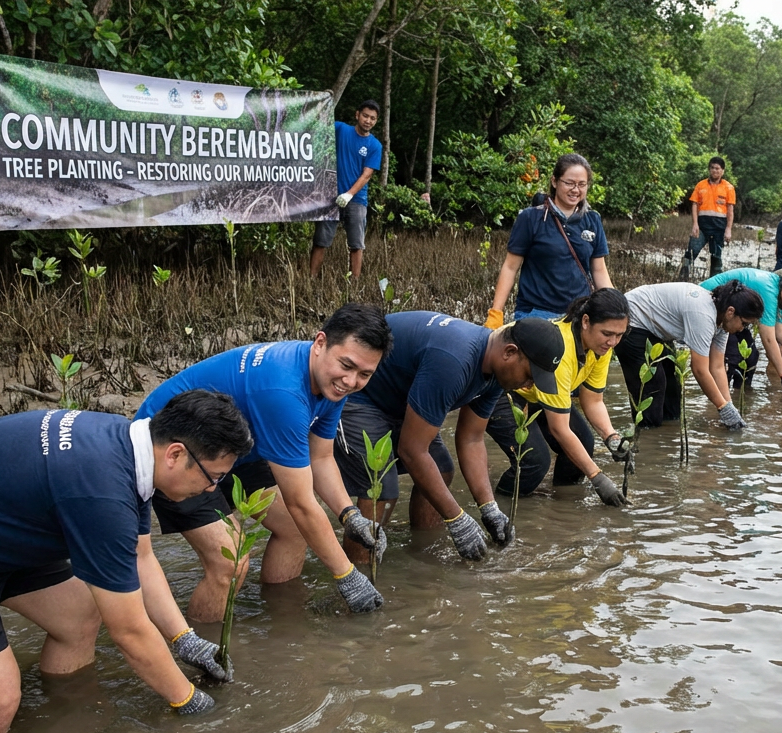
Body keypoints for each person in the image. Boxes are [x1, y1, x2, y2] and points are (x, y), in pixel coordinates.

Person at [0, 391, 253, 733]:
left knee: (78, 617)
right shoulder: (102, 492)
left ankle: (62, 721)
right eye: (213, 477)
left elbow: (140, 557)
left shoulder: (131, 448)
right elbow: (130, 631)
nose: (210, 490)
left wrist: (183, 638)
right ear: (175, 454)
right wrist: (186, 699)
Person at [134, 305, 393, 617]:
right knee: (230, 562)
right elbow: (301, 503)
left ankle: (281, 624)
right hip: (177, 451)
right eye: (347, 366)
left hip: (236, 448)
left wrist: (349, 515)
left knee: (294, 530)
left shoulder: (330, 382)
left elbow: (321, 456)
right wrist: (346, 575)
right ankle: (203, 649)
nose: (350, 381)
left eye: (364, 374)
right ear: (320, 343)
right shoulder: (284, 392)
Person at [334, 313, 564, 559]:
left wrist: (489, 508)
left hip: (401, 402)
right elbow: (412, 451)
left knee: (442, 469)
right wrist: (458, 519)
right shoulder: (455, 360)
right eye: (529, 376)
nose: (528, 386)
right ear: (509, 352)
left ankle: (423, 554)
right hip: (359, 395)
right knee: (382, 488)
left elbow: (472, 439)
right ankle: (356, 572)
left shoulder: (496, 371)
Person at [486, 289, 631, 508]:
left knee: (584, 442)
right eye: (607, 334)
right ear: (585, 321)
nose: (613, 342)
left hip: (537, 391)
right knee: (534, 461)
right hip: (504, 385)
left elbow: (593, 400)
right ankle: (500, 505)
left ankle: (562, 506)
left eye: (619, 335)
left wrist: (612, 438)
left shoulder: (600, 348)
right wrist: (598, 478)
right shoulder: (562, 350)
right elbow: (559, 429)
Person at [485, 154, 613, 328]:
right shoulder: (530, 218)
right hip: (537, 314)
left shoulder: (593, 219)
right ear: (554, 181)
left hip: (579, 315)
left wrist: (614, 308)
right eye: (569, 183)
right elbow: (510, 267)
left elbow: (599, 270)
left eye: (582, 184)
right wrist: (496, 313)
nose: (576, 190)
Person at [618, 281, 764, 431]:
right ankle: (648, 438)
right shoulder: (703, 315)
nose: (742, 329)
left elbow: (717, 367)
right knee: (653, 385)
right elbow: (700, 370)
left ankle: (665, 440)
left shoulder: (722, 323)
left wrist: (729, 406)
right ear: (731, 312)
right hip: (632, 320)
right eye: (745, 323)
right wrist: (722, 407)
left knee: (673, 386)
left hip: (656, 329)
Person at [700, 268, 782, 394]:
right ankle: (719, 401)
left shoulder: (781, 295)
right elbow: (768, 339)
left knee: (751, 357)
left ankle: (739, 396)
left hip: (734, 314)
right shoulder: (769, 292)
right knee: (734, 357)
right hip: (708, 305)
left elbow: (780, 332)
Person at [310, 100, 382, 279]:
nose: (368, 121)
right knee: (321, 241)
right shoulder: (342, 129)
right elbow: (319, 124)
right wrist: (322, 101)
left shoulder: (375, 146)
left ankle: (355, 283)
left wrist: (349, 194)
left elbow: (367, 174)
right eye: (365, 116)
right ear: (357, 115)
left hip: (356, 200)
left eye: (373, 118)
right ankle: (311, 278)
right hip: (330, 195)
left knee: (356, 244)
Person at [688, 156, 738, 278]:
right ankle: (681, 279)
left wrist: (728, 229)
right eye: (712, 168)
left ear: (722, 171)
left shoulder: (728, 188)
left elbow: (730, 210)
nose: (715, 171)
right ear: (709, 169)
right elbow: (694, 205)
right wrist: (695, 224)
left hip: (719, 227)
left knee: (716, 257)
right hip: (702, 226)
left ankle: (714, 286)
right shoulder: (701, 185)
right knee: (690, 252)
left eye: (717, 168)